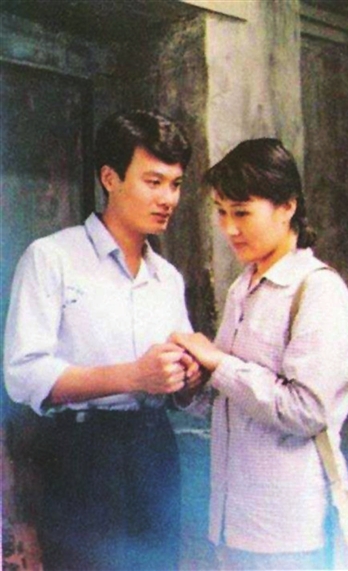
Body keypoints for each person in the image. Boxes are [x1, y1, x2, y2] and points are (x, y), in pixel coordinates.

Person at [4, 109, 201, 571]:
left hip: (155, 450)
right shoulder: (51, 258)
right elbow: (23, 375)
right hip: (79, 455)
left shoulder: (167, 278)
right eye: (153, 182)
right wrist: (134, 376)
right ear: (110, 178)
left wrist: (189, 378)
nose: (168, 198)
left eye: (175, 184)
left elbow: (177, 388)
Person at [170, 138, 348, 570]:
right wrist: (192, 381)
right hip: (232, 524)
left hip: (287, 531)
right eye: (221, 212)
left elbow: (308, 409)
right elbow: (235, 398)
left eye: (242, 212)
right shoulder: (243, 286)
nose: (229, 228)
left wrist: (219, 363)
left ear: (287, 206)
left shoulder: (319, 290)